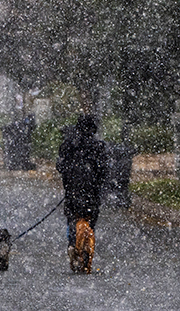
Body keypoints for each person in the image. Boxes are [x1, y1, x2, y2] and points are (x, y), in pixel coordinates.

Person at [56, 114, 109, 273]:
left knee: (72, 219)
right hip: (92, 191)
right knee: (90, 220)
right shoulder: (99, 147)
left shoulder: (68, 145)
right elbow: (103, 170)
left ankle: (73, 244)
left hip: (73, 190)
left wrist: (70, 179)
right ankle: (87, 245)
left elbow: (61, 166)